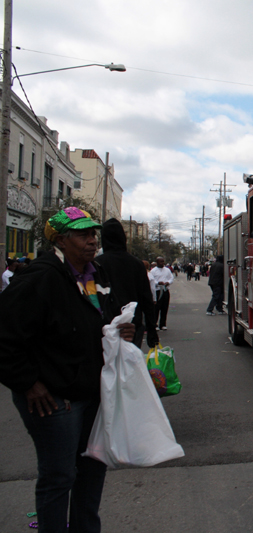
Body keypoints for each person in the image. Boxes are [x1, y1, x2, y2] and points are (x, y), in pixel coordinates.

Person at [0, 207, 135, 532]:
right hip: (54, 399)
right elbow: (5, 337)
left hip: (92, 393)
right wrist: (29, 383)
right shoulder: (40, 277)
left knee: (92, 469)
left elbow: (102, 318)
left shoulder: (96, 273)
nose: (92, 240)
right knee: (60, 475)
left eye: (94, 234)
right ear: (61, 239)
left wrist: (120, 330)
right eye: (83, 235)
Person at [95, 218, 159, 350]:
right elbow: (146, 298)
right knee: (129, 365)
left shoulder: (96, 264)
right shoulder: (136, 264)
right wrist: (151, 328)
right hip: (132, 325)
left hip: (105, 325)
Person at [151, 256, 174, 330]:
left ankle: (163, 324)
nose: (162, 263)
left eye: (163, 261)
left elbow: (171, 277)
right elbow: (152, 280)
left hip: (165, 290)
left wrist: (168, 282)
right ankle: (155, 324)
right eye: (161, 261)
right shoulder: (153, 271)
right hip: (157, 290)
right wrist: (157, 283)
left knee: (164, 307)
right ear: (157, 262)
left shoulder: (167, 270)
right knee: (156, 308)